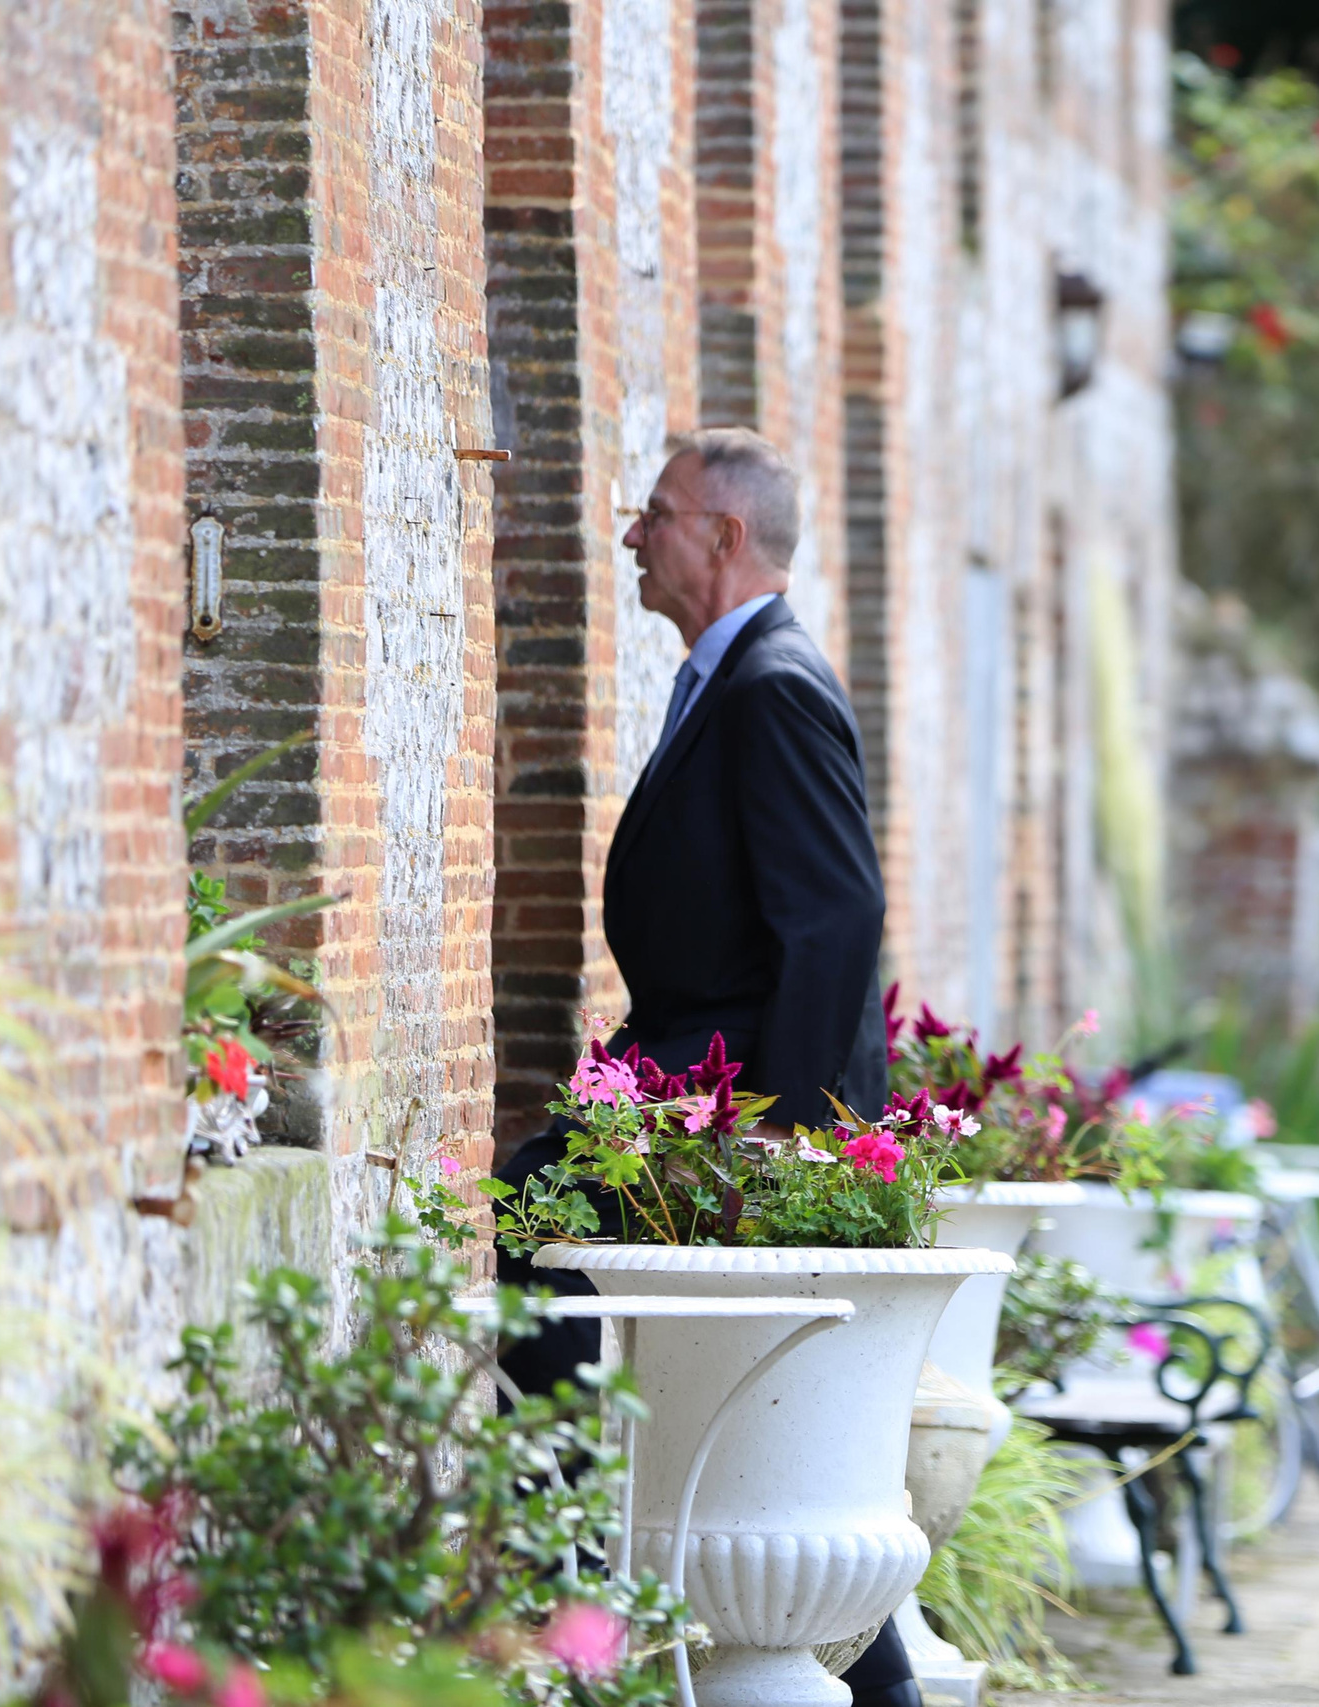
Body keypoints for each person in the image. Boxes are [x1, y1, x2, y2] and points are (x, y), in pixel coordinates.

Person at [492, 428, 912, 1706]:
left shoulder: (771, 682)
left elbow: (833, 923)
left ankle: (573, 1588)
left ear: (724, 537)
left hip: (723, 1098)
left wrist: (768, 1135)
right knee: (703, 1366)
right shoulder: (729, 675)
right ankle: (859, 1669)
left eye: (655, 513)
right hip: (685, 1074)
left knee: (536, 1215)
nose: (632, 534)